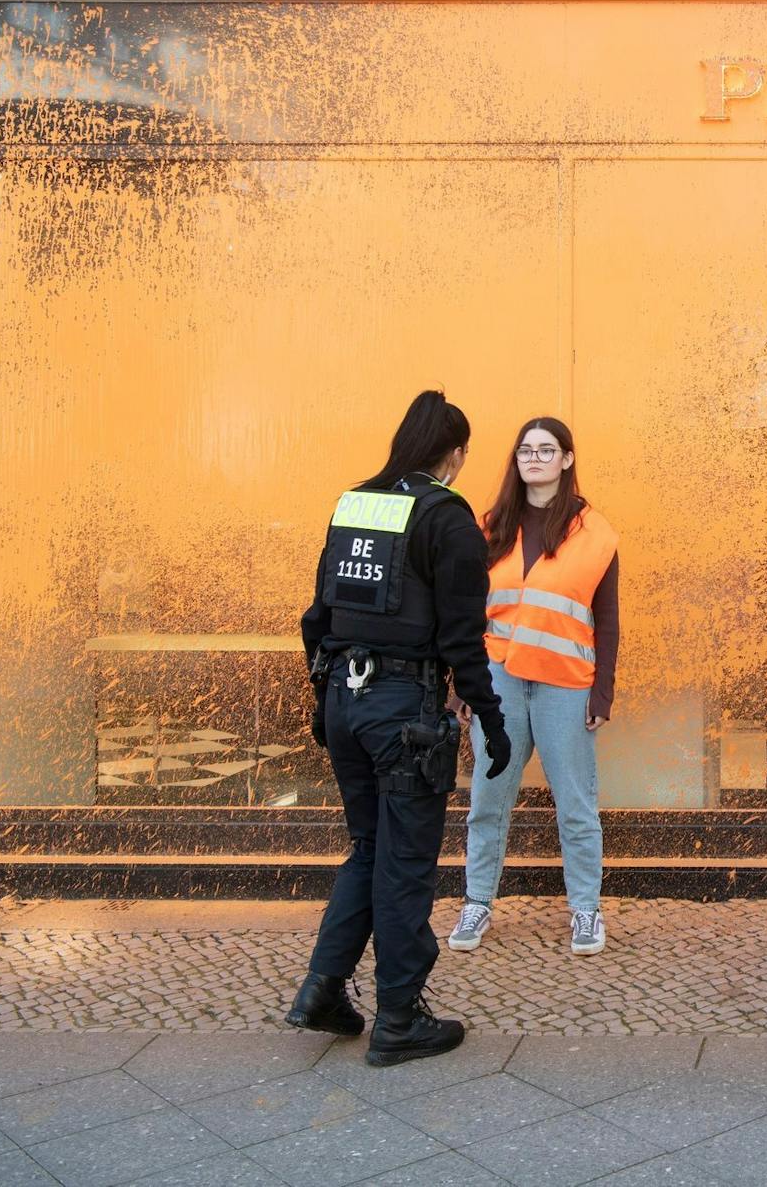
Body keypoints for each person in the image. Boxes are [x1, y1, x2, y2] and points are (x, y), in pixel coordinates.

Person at [289, 389, 512, 1067]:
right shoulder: (449, 517)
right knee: (406, 860)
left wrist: (328, 695)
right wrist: (490, 720)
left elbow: (316, 615)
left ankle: (323, 990)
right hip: (402, 710)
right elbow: (463, 635)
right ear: (454, 451)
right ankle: (399, 1018)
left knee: (368, 846)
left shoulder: (354, 503)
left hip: (345, 700)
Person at [447, 418, 620, 957]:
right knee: (487, 800)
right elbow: (467, 611)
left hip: (566, 685)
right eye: (526, 449)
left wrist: (603, 692)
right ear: (516, 459)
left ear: (567, 459)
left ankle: (586, 911)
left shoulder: (595, 533)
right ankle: (477, 901)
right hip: (498, 680)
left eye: (547, 449)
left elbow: (606, 618)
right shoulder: (489, 525)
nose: (536, 457)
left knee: (575, 804)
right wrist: (461, 687)